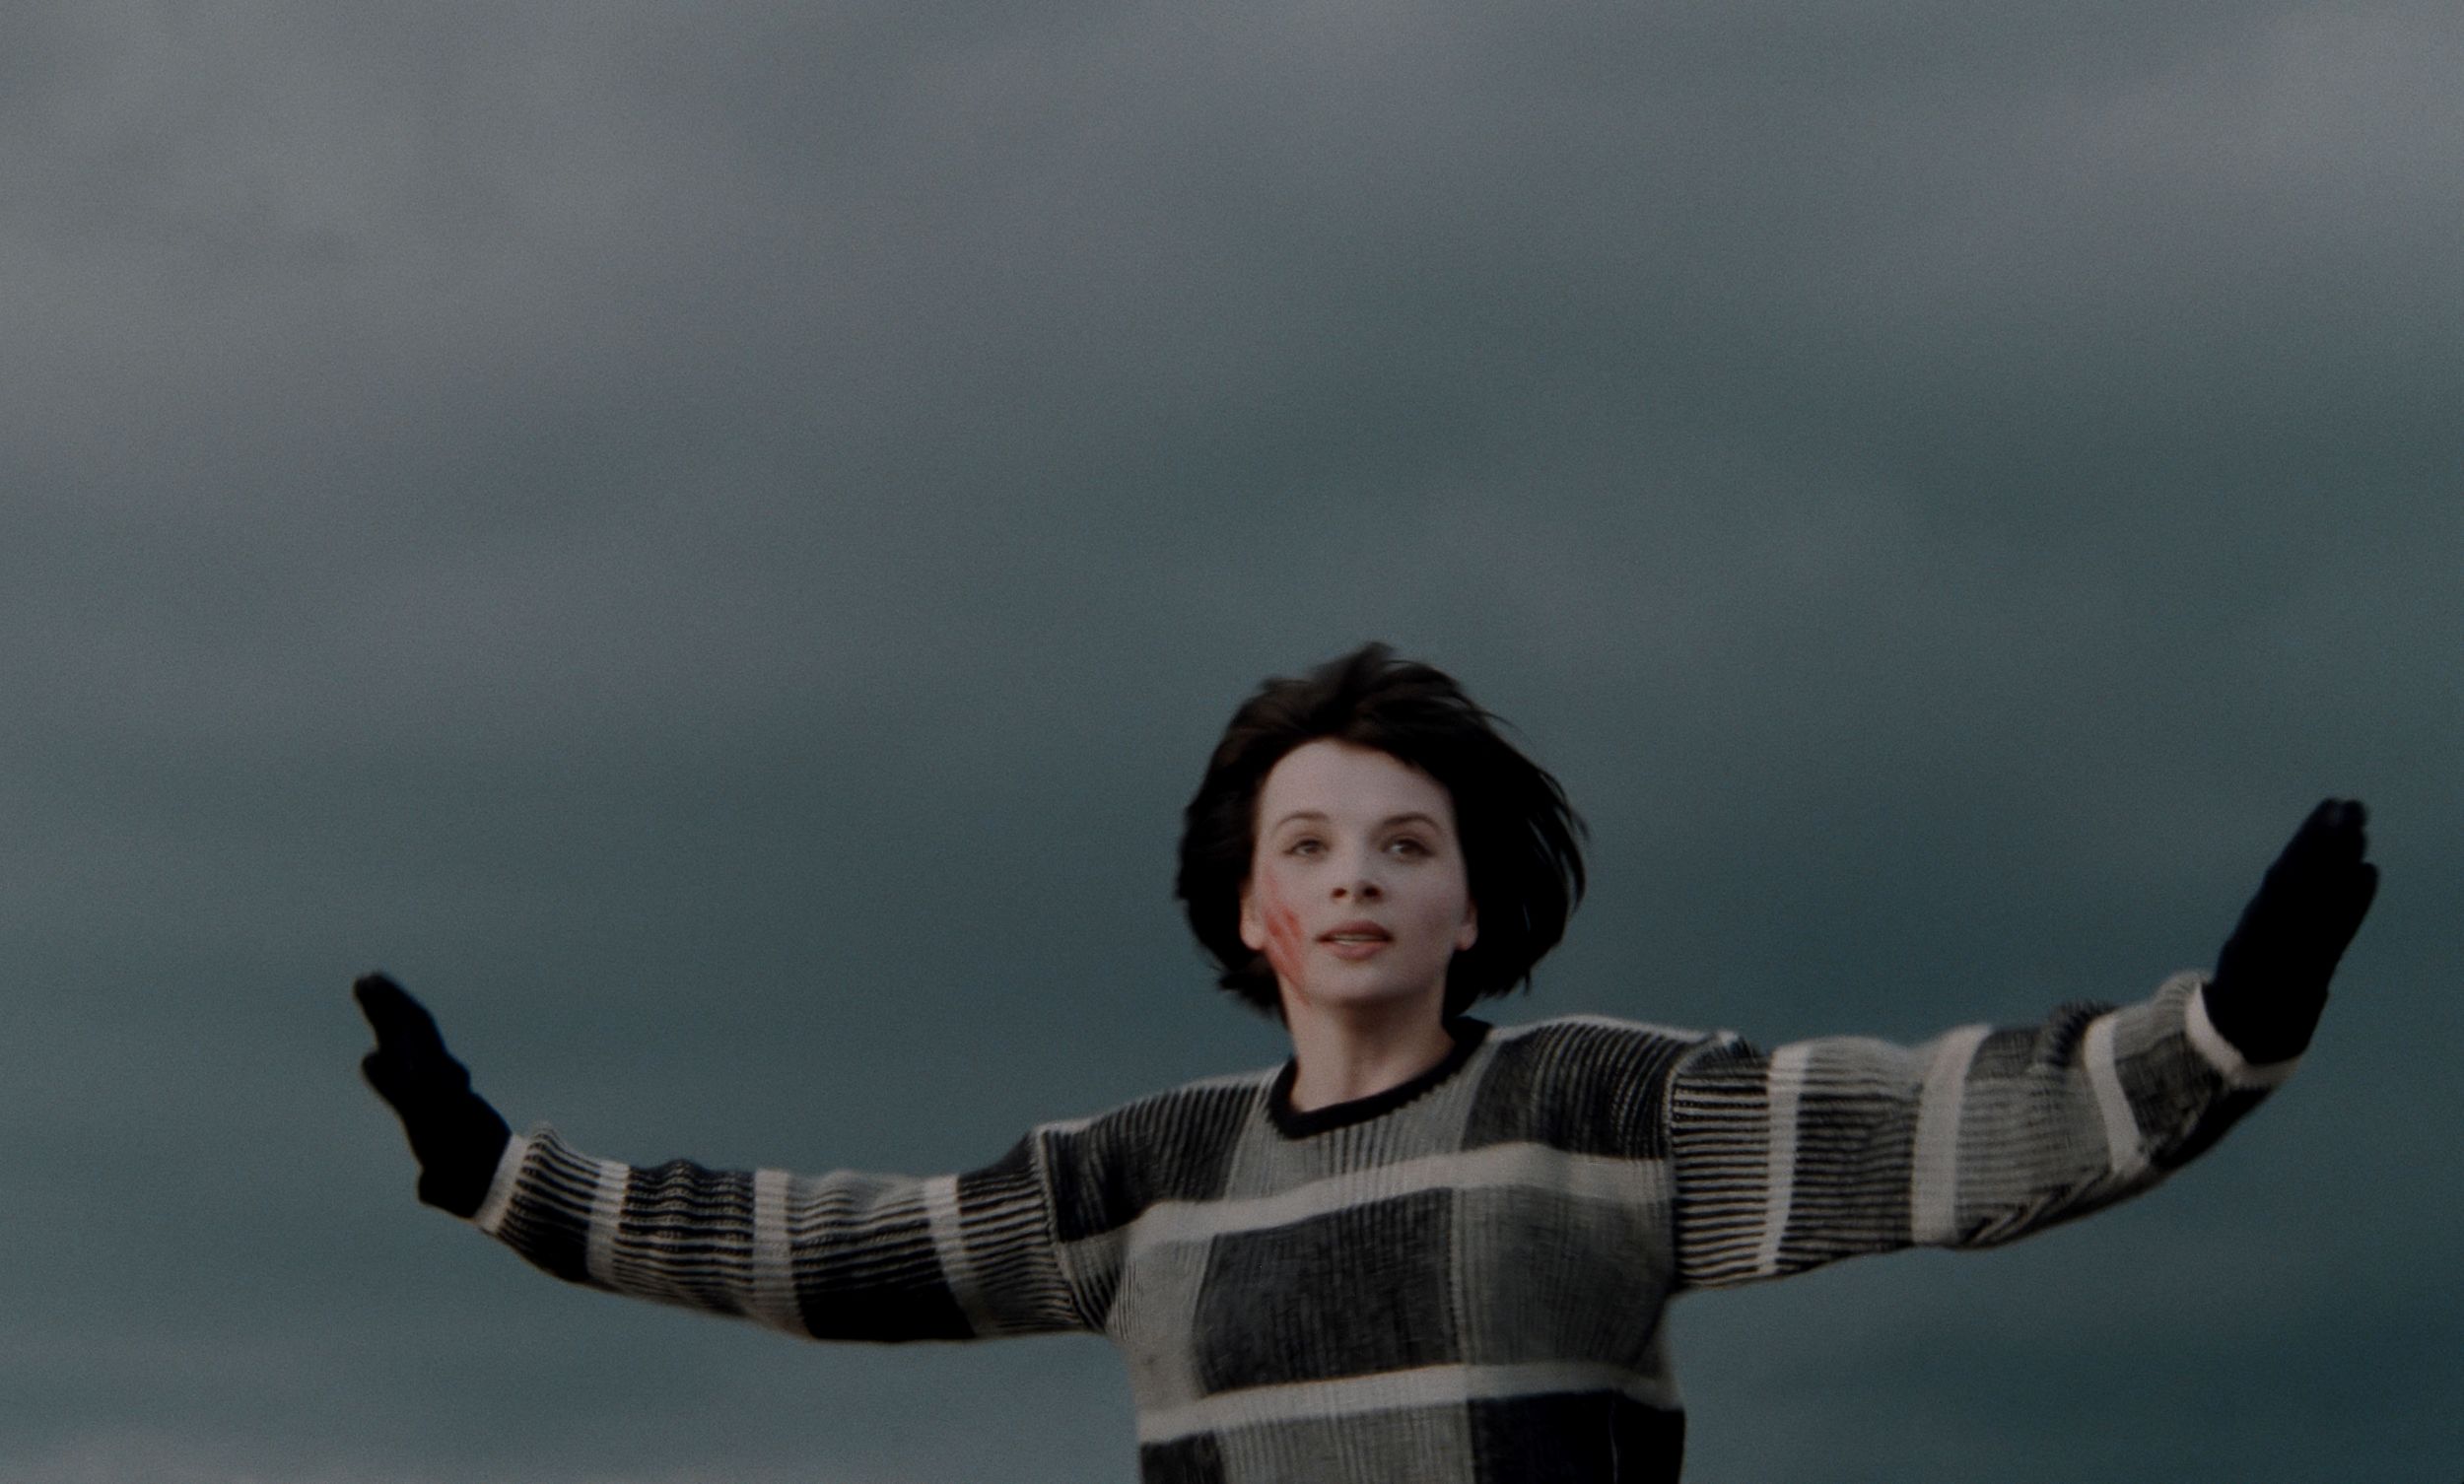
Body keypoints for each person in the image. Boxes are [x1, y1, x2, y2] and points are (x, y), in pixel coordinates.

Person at [357, 643, 2378, 1483]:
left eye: (1405, 846)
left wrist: (2215, 1032)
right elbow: (839, 1247)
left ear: (1471, 904)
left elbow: (1929, 1131)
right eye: (1308, 848)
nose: (1353, 881)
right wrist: (508, 1176)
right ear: (1246, 907)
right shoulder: (1142, 1180)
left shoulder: (1600, 1108)